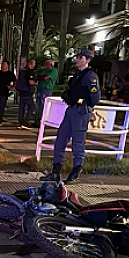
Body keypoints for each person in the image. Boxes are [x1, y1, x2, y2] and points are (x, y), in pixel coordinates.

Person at [41, 49, 100, 184]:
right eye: (77, 57)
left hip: (81, 112)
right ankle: (55, 171)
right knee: (60, 140)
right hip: (71, 110)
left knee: (77, 143)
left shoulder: (90, 76)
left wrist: (82, 103)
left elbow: (95, 97)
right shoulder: (78, 75)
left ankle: (76, 170)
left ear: (87, 60)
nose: (77, 59)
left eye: (81, 57)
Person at [16, 58, 38, 127]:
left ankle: (21, 120)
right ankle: (26, 120)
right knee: (32, 106)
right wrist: (36, 83)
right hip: (27, 92)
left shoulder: (22, 71)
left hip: (21, 91)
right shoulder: (30, 72)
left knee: (21, 107)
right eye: (34, 63)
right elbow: (31, 82)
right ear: (31, 63)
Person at [35, 59, 58, 124]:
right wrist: (42, 78)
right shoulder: (43, 71)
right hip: (40, 88)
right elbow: (37, 77)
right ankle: (37, 120)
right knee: (38, 104)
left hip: (46, 89)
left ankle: (42, 120)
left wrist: (42, 78)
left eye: (47, 64)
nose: (45, 65)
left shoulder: (54, 71)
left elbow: (46, 78)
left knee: (44, 105)